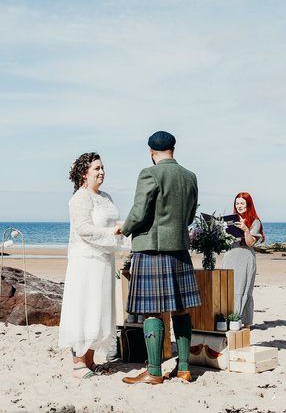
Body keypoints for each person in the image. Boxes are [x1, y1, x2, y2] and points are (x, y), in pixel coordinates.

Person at [118, 131, 200, 385]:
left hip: (151, 248)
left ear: (152, 152)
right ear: (173, 150)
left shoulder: (149, 173)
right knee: (180, 309)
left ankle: (154, 372)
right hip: (179, 248)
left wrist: (125, 227)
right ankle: (184, 368)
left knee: (151, 312)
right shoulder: (190, 177)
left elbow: (140, 211)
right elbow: (188, 217)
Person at [59, 152, 125, 378]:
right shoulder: (80, 198)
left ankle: (90, 359)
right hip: (86, 261)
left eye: (102, 167)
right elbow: (83, 229)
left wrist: (122, 228)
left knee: (100, 308)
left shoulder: (106, 197)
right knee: (85, 307)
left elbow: (113, 223)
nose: (102, 172)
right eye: (96, 168)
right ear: (83, 174)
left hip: (104, 260)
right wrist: (112, 231)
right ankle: (78, 361)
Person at [221, 192, 265, 328]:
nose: (239, 206)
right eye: (237, 203)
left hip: (245, 256)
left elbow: (251, 242)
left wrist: (246, 229)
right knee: (227, 288)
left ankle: (245, 324)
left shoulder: (255, 221)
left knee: (244, 289)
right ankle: (227, 320)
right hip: (230, 256)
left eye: (242, 203)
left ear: (248, 204)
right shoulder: (230, 220)